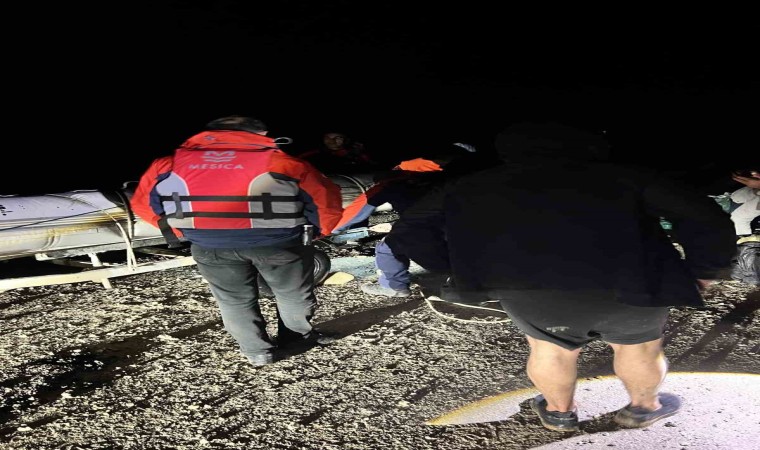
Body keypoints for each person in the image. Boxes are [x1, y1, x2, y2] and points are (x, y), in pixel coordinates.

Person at [389, 121, 737, 431]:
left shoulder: (471, 184)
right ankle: (644, 408)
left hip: (528, 286)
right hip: (633, 280)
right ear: (591, 143)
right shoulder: (631, 176)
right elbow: (705, 218)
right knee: (640, 347)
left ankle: (559, 413)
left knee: (550, 349)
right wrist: (705, 271)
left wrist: (453, 269)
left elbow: (409, 229)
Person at [130, 116, 344, 367]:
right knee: (291, 294)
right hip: (279, 244)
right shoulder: (285, 163)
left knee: (233, 300)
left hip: (209, 246)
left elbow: (143, 205)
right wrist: (317, 232)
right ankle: (297, 338)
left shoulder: (167, 165)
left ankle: (257, 352)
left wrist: (184, 231)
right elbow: (325, 201)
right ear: (260, 134)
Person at [334, 143, 492, 298]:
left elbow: (358, 210)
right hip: (475, 232)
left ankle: (395, 287)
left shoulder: (397, 179)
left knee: (387, 247)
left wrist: (332, 229)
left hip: (424, 233)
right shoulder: (479, 176)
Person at [294, 131, 381, 174]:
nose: (332, 141)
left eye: (338, 138)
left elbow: (376, 167)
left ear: (346, 140)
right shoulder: (314, 154)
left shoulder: (357, 153)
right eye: (327, 138)